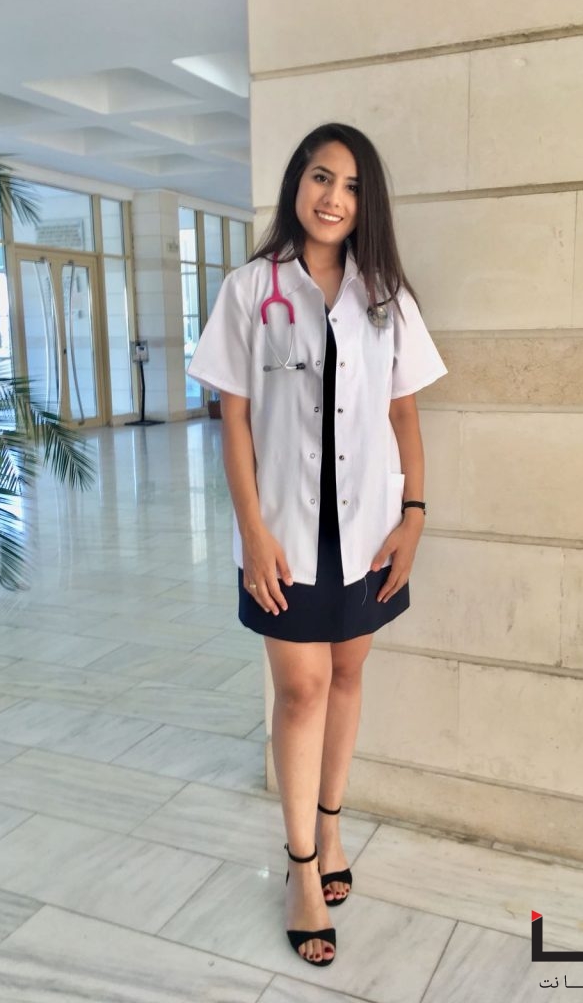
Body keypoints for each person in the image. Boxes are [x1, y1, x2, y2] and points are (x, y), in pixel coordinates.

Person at [188, 122, 446, 968]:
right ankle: (302, 866)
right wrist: (252, 532)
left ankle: (332, 827)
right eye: (322, 177)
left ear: (368, 202)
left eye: (353, 185)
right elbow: (232, 421)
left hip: (368, 529)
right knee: (301, 690)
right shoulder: (248, 290)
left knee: (348, 674)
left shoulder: (386, 295)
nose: (335, 197)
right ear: (297, 182)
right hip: (284, 533)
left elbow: (404, 413)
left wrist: (414, 515)